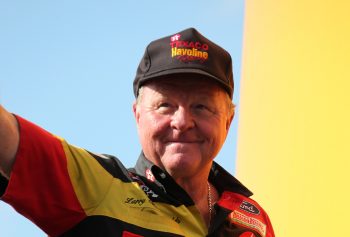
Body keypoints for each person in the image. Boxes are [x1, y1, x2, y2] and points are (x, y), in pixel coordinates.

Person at [0, 28, 274, 237]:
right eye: (165, 105)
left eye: (201, 106)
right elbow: (8, 138)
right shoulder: (100, 186)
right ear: (138, 115)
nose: (182, 121)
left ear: (228, 120)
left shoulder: (252, 217)